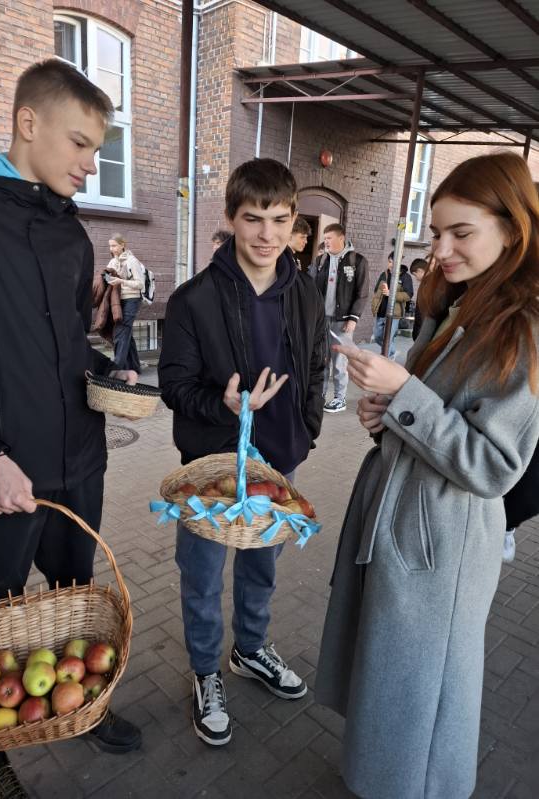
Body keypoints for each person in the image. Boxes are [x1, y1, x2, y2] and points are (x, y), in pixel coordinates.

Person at [0, 59, 143, 798]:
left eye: (97, 149)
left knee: (73, 595)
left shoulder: (72, 234)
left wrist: (103, 371)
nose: (92, 164)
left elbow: (57, 349)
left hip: (76, 461)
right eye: (82, 144)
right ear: (29, 124)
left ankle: (78, 707)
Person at [315, 152, 539, 799]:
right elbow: (438, 418)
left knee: (420, 701)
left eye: (459, 232)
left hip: (441, 546)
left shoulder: (522, 329)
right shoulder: (465, 307)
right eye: (435, 231)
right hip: (412, 533)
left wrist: (406, 392)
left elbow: (492, 464)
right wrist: (386, 414)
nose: (438, 248)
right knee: (392, 688)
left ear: (512, 228)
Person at [158, 157, 326, 747]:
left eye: (279, 219)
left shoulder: (304, 291)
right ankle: (206, 671)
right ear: (230, 218)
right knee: (202, 577)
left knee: (262, 566)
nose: (266, 234)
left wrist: (307, 428)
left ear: (293, 222)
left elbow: (315, 363)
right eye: (252, 219)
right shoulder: (191, 300)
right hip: (212, 468)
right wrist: (222, 406)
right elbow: (173, 385)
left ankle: (250, 650)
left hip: (281, 460)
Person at [309, 223, 369, 413]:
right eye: (324, 238)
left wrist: (353, 318)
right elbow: (310, 289)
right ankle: (320, 395)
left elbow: (362, 292)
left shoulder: (357, 261)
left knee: (340, 361)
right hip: (321, 320)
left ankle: (340, 398)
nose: (325, 242)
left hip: (342, 321)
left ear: (341, 238)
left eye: (329, 238)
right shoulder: (320, 261)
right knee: (321, 359)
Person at [105, 233, 146, 374]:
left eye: (114, 245)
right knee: (126, 332)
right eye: (110, 246)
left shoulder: (132, 261)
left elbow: (140, 284)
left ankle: (116, 369)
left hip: (132, 299)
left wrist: (121, 281)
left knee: (120, 332)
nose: (112, 249)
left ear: (122, 245)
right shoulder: (112, 262)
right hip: (118, 301)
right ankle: (134, 367)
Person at [371, 251, 414, 359]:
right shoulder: (384, 274)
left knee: (388, 339)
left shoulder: (405, 277)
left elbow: (408, 295)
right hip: (381, 311)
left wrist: (392, 293)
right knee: (377, 337)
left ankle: (387, 358)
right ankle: (392, 351)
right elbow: (377, 291)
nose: (391, 265)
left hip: (394, 314)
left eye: (394, 262)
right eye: (390, 262)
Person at [410, 255, 433, 340]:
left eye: (415, 275)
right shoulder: (430, 282)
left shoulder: (428, 284)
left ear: (420, 271)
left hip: (423, 331)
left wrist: (419, 334)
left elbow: (424, 312)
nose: (416, 278)